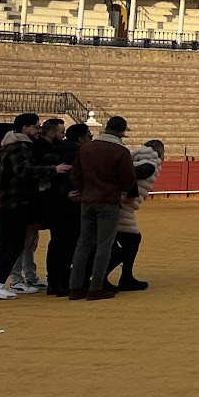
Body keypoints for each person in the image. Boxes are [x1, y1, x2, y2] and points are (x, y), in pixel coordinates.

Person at [0, 113, 68, 301]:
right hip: (15, 203)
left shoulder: (6, 146)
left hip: (1, 203)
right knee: (14, 244)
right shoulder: (21, 146)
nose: (38, 130)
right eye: (35, 126)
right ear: (25, 128)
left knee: (1, 245)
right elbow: (24, 171)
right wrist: (54, 169)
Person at [69, 115, 137, 300]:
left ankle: (75, 287)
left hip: (87, 200)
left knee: (83, 244)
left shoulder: (86, 148)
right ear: (122, 132)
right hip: (108, 201)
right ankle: (95, 287)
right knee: (104, 245)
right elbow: (129, 180)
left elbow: (75, 175)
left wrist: (84, 190)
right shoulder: (121, 151)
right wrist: (118, 190)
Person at [40, 122, 90, 295]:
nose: (90, 139)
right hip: (70, 205)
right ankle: (64, 283)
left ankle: (53, 282)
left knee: (56, 243)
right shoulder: (78, 153)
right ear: (81, 139)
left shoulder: (52, 151)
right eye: (89, 136)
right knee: (70, 244)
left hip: (52, 204)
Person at [111, 140, 163, 290]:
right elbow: (129, 174)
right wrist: (131, 194)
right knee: (130, 241)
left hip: (120, 206)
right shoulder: (150, 165)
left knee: (126, 242)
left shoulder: (135, 159)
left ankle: (123, 277)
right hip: (121, 207)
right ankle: (119, 278)